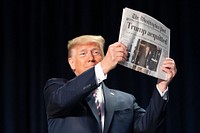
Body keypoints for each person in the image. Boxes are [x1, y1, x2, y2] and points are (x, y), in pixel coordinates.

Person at [43, 35, 177, 133]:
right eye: (83, 54)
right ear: (72, 63)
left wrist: (162, 85)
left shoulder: (126, 100)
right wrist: (103, 67)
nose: (91, 58)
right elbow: (60, 101)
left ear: (102, 57)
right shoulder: (56, 88)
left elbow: (148, 128)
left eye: (96, 52)